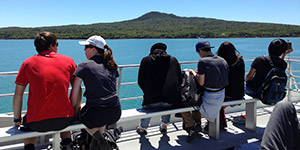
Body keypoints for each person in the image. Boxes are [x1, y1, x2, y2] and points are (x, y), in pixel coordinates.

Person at [13, 32, 78, 150]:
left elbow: (18, 95)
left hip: (37, 123)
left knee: (26, 124)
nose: (58, 47)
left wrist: (17, 120)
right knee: (63, 118)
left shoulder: (28, 63)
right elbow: (77, 89)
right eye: (57, 44)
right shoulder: (69, 61)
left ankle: (29, 147)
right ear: (51, 46)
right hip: (64, 120)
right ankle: (67, 143)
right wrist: (74, 111)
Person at [70, 35, 121, 150]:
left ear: (94, 49)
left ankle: (99, 139)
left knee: (83, 114)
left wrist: (74, 113)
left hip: (95, 114)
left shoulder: (84, 66)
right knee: (100, 110)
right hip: (115, 112)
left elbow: (74, 93)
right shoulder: (112, 65)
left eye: (86, 47)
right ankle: (95, 142)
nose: (84, 50)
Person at [182, 40, 229, 142]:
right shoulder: (222, 60)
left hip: (210, 96)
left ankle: (192, 125)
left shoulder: (202, 62)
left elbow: (201, 83)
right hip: (222, 94)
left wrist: (193, 73)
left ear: (200, 51)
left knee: (186, 102)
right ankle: (196, 125)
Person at [136, 43, 182, 135]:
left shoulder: (145, 60)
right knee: (166, 102)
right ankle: (164, 125)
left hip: (151, 99)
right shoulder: (173, 60)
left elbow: (140, 80)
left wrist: (147, 92)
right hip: (170, 99)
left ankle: (142, 128)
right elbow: (179, 79)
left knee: (148, 107)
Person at [216, 41, 245, 128]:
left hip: (226, 95)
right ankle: (221, 120)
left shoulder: (219, 63)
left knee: (213, 97)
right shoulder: (240, 61)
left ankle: (220, 122)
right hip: (239, 94)